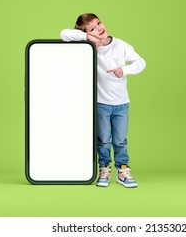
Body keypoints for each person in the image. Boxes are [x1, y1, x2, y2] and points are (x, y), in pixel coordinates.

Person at [60, 13, 146, 188]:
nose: (99, 28)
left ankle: (123, 171)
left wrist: (124, 70)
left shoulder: (121, 45)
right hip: (101, 104)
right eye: (92, 28)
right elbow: (63, 34)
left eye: (98, 23)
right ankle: (104, 169)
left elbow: (141, 62)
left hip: (121, 103)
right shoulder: (90, 47)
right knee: (104, 140)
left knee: (120, 140)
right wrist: (87, 37)